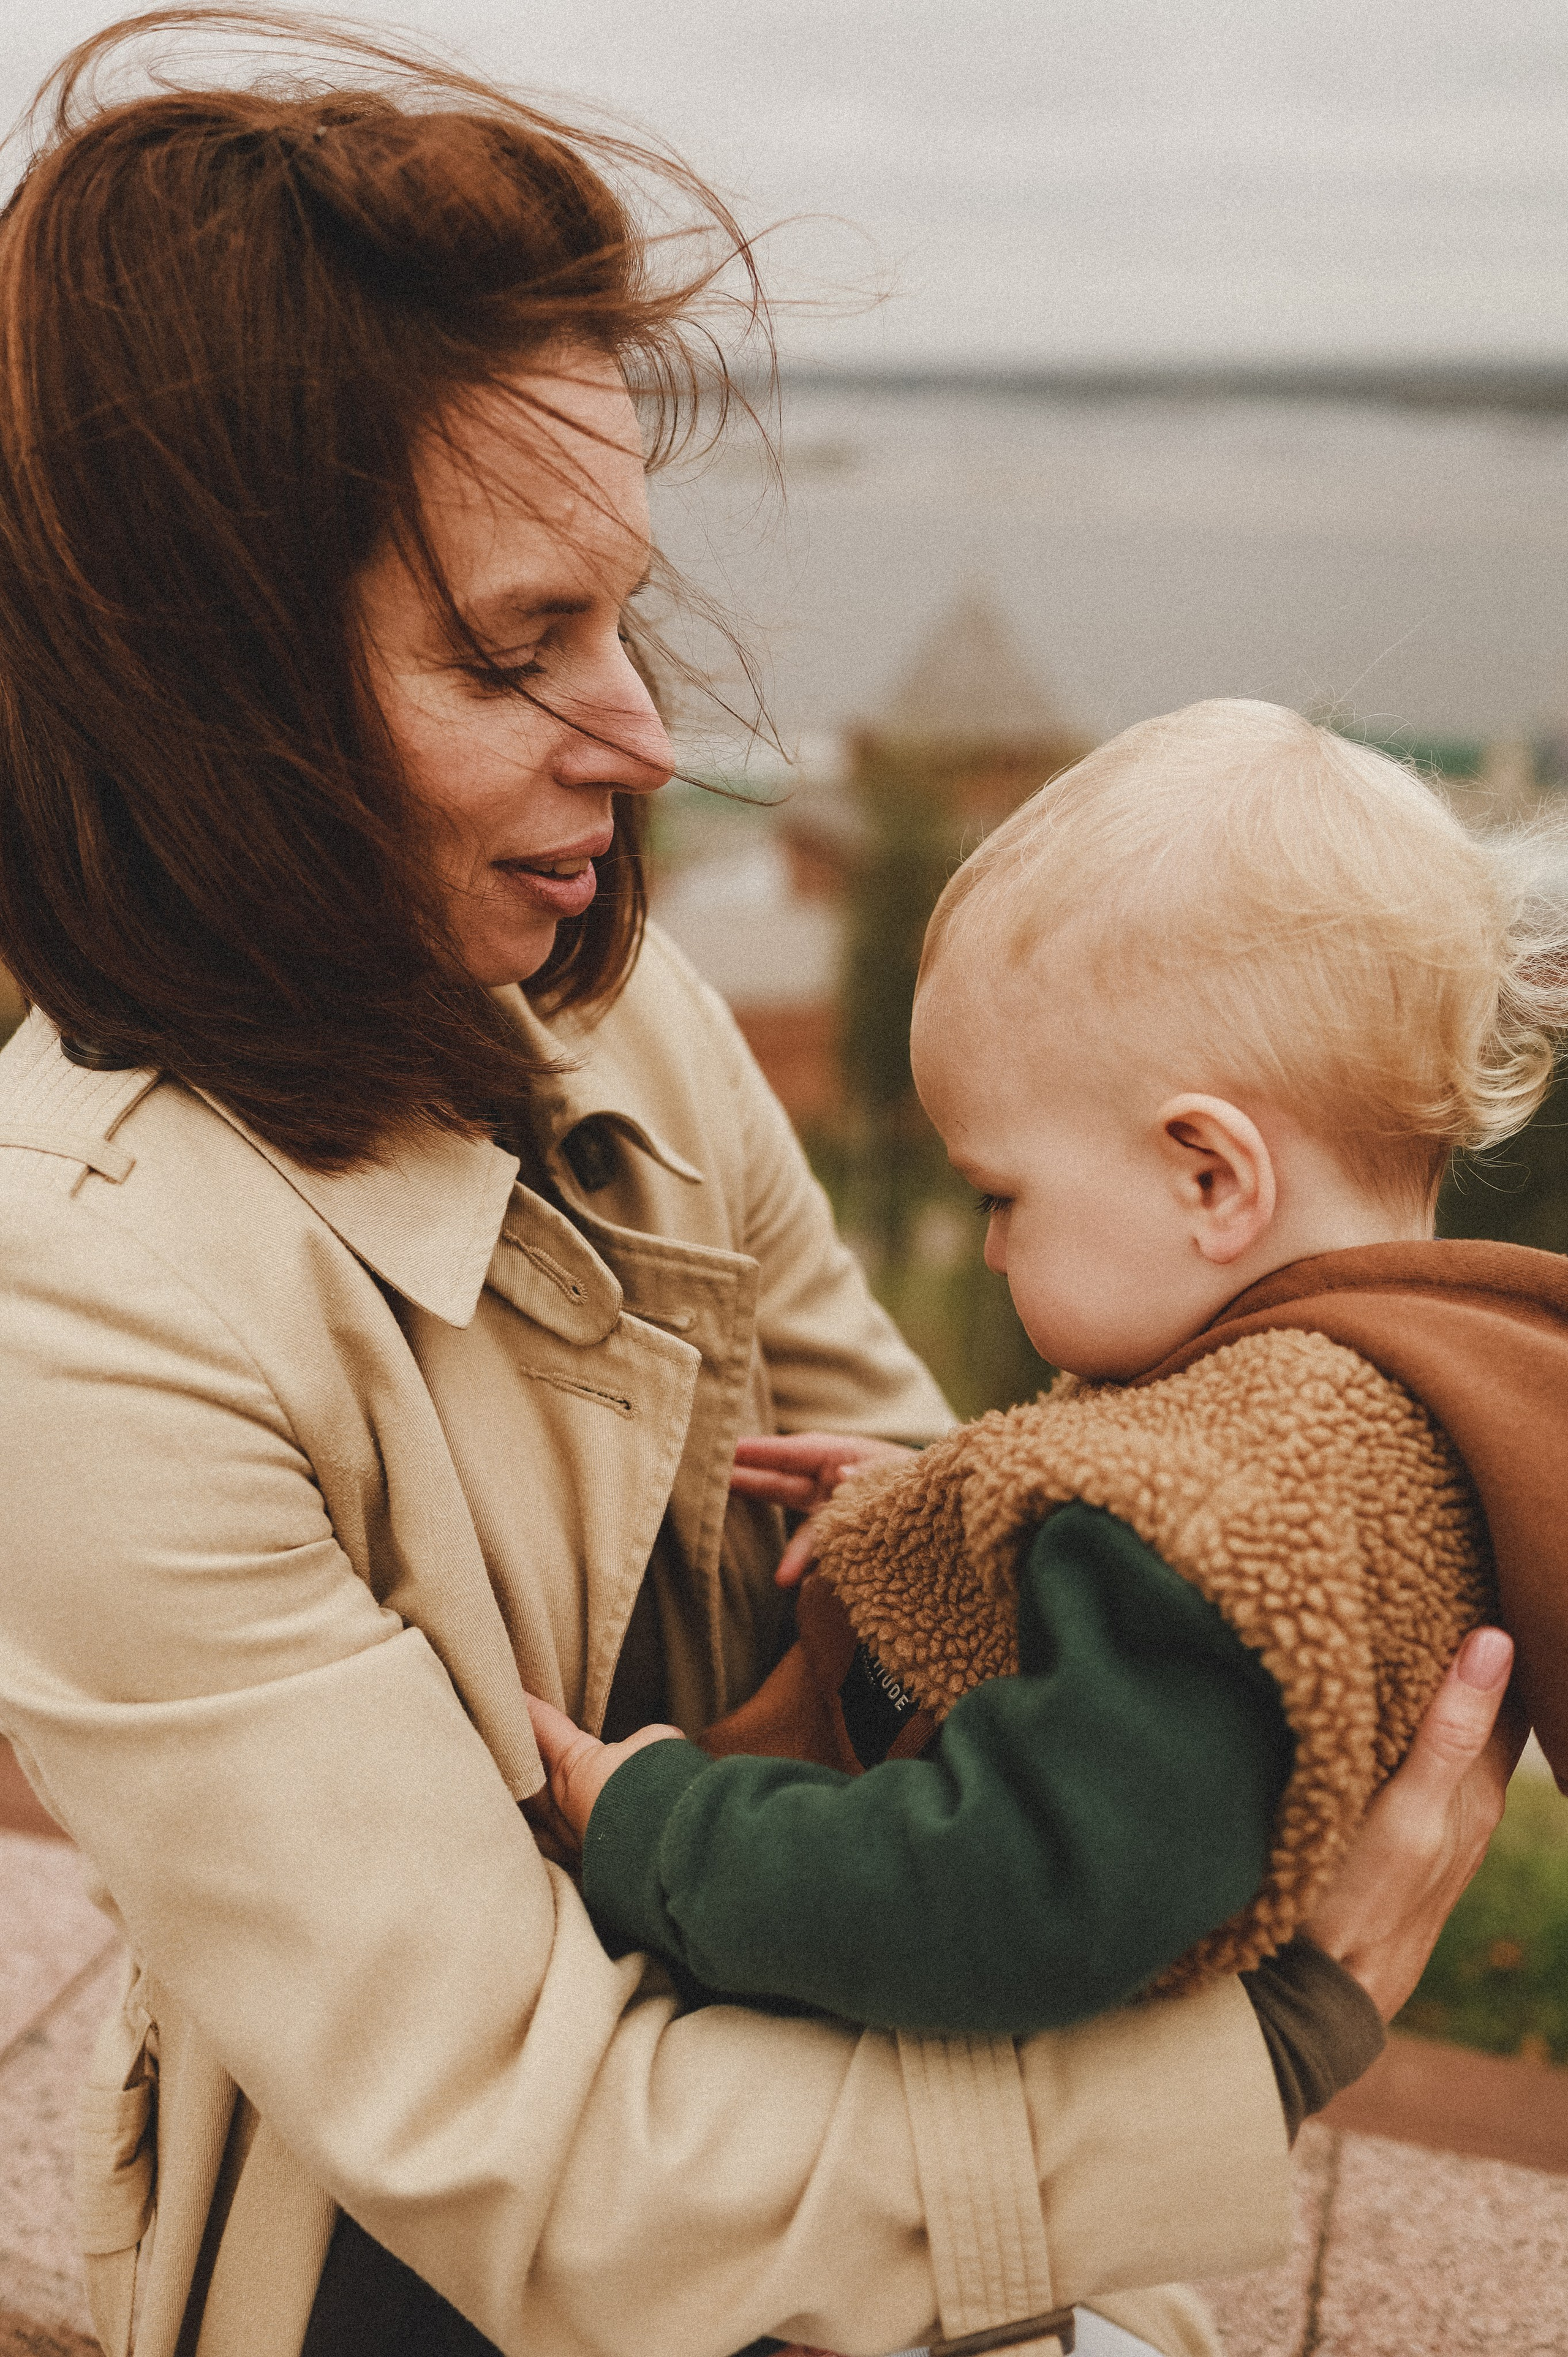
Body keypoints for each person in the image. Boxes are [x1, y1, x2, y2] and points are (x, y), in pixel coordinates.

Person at [0, 20, 1520, 2357]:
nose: (643, 736)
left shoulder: (600, 1001)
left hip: (883, 2171)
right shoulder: (85, 1307)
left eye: (619, 604)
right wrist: (1266, 2049)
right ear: (205, 708)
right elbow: (546, 2155)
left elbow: (957, 1544)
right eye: (517, 646)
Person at [526, 697, 1568, 2050]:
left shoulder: (1203, 1530)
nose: (994, 1244)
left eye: (999, 1193)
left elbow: (1000, 1895)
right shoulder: (1400, 1380)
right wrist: (960, 1508)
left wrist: (662, 1828)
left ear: (1209, 1177)